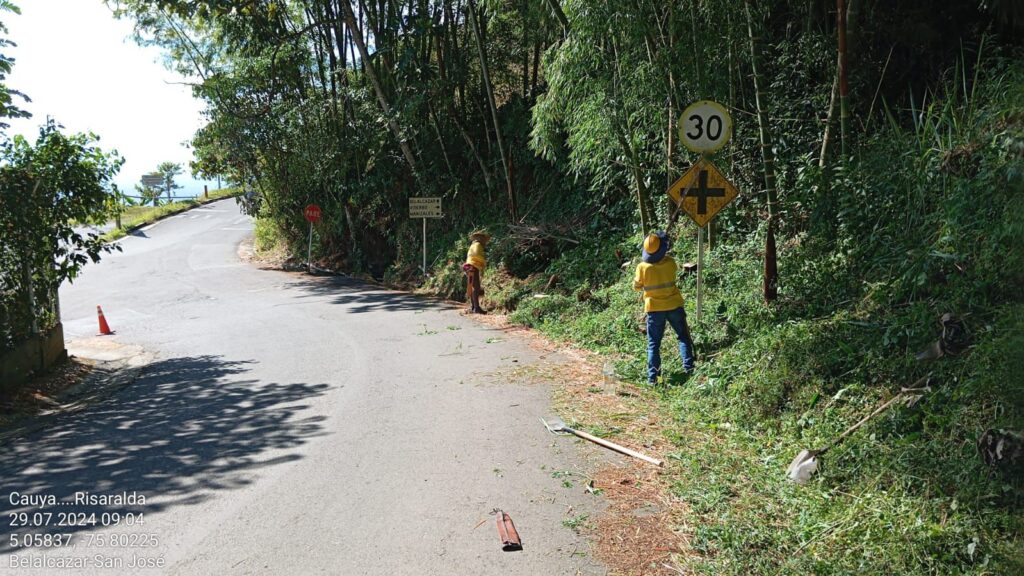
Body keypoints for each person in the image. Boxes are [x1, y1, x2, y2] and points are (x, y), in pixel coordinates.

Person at [633, 231, 695, 384]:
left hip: (654, 309)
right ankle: (690, 369)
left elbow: (636, 286)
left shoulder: (642, 267)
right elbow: (671, 268)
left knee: (654, 344)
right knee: (683, 337)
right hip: (674, 305)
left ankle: (653, 379)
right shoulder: (670, 262)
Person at [463, 230, 490, 314]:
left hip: (469, 267)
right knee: (476, 287)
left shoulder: (473, 245)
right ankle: (476, 307)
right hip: (472, 267)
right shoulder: (478, 245)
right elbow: (477, 256)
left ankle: (473, 306)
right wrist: (484, 262)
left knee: (472, 287)